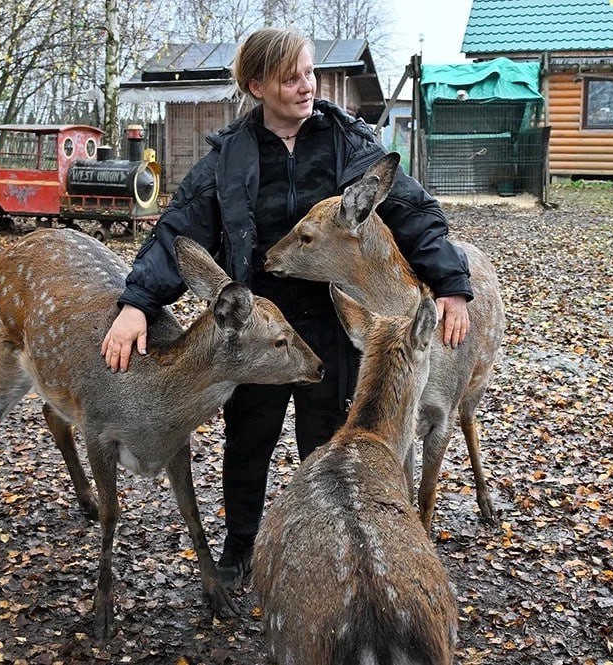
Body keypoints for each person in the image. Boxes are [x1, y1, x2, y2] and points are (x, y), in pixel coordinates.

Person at [101, 27, 473, 591]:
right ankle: (240, 549)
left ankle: (320, 551)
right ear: (257, 86)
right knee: (249, 440)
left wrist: (450, 282)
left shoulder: (348, 141)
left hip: (334, 320)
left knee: (325, 442)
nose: (307, 87)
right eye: (291, 78)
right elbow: (179, 229)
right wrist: (137, 302)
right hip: (258, 335)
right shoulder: (230, 158)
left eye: (309, 72)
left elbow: (414, 211)